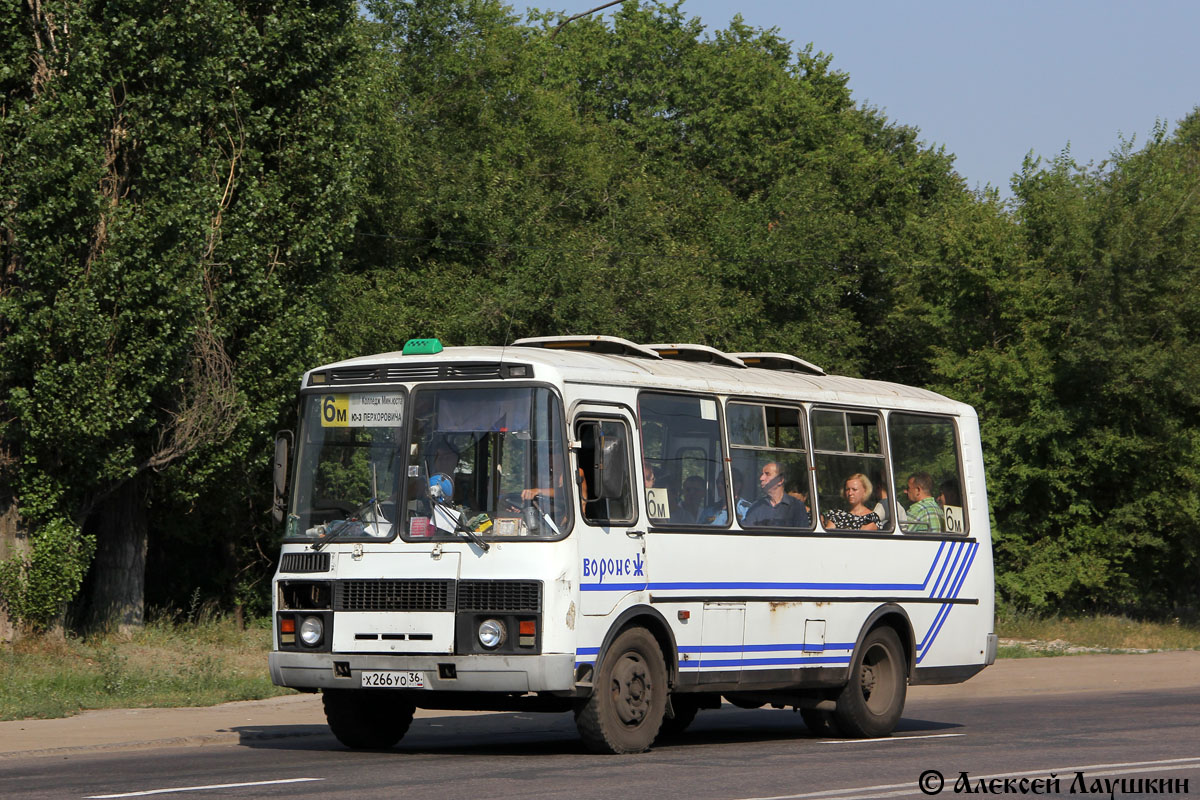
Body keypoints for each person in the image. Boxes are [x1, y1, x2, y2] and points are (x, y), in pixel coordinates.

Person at [743, 461, 811, 528]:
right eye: (762, 474)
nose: (761, 478)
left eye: (767, 474)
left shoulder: (796, 506)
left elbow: (802, 535)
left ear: (780, 480)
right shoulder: (756, 506)